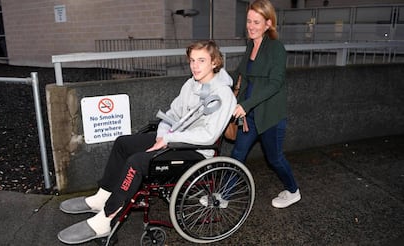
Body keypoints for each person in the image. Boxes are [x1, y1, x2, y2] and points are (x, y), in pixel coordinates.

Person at [57, 40, 236, 244]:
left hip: (196, 151)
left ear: (214, 62)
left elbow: (208, 136)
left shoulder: (223, 94)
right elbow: (171, 114)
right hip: (173, 139)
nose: (195, 65)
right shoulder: (191, 84)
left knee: (138, 162)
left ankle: (106, 219)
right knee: (123, 143)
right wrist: (162, 135)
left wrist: (169, 138)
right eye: (192, 60)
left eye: (201, 60)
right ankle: (102, 196)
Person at [231, 0, 301, 209]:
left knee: (275, 158)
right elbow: (239, 74)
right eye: (249, 21)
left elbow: (275, 83)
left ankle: (293, 190)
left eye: (257, 22)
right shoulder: (251, 45)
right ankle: (223, 195)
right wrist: (214, 81)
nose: (251, 26)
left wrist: (246, 104)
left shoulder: (276, 48)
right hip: (249, 115)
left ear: (268, 23)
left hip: (269, 116)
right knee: (237, 155)